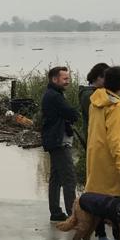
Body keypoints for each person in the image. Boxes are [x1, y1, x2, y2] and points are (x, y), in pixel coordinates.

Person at [85, 65, 120, 240]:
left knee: (97, 200)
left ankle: (101, 236)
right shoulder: (116, 106)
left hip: (95, 156)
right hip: (111, 162)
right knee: (118, 201)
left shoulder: (96, 100)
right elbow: (115, 139)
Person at [79, 62, 111, 240]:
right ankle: (99, 233)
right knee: (97, 191)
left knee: (102, 190)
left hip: (98, 145)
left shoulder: (97, 95)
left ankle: (101, 232)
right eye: (105, 78)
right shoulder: (88, 96)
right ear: (98, 77)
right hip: (96, 146)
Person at [41, 66, 79, 222]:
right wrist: (72, 114)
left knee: (56, 178)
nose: (67, 82)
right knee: (69, 178)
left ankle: (56, 212)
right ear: (54, 79)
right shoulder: (55, 96)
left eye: (68, 79)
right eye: (65, 79)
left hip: (53, 140)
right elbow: (72, 114)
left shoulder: (52, 94)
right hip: (59, 142)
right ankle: (73, 215)